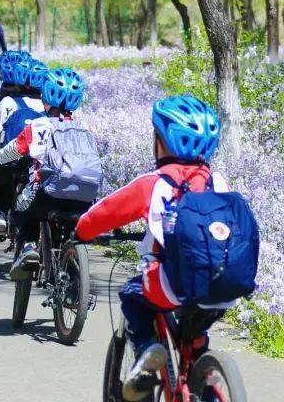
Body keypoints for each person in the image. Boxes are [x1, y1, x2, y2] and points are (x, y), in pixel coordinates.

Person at [74, 95, 231, 402]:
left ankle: (147, 351)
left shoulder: (155, 183)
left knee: (134, 296)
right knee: (195, 337)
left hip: (170, 283)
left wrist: (82, 232)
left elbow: (106, 212)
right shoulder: (220, 183)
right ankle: (209, 384)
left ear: (162, 142)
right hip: (222, 286)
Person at [0, 67, 98, 279]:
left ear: (46, 97)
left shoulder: (38, 126)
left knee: (21, 212)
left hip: (46, 194)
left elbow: (10, 153)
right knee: (71, 226)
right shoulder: (87, 128)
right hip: (84, 196)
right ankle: (72, 264)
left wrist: (0, 156)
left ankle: (29, 247)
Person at [0, 52, 45, 242]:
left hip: (10, 157)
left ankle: (0, 216)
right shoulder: (46, 106)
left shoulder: (7, 101)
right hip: (36, 159)